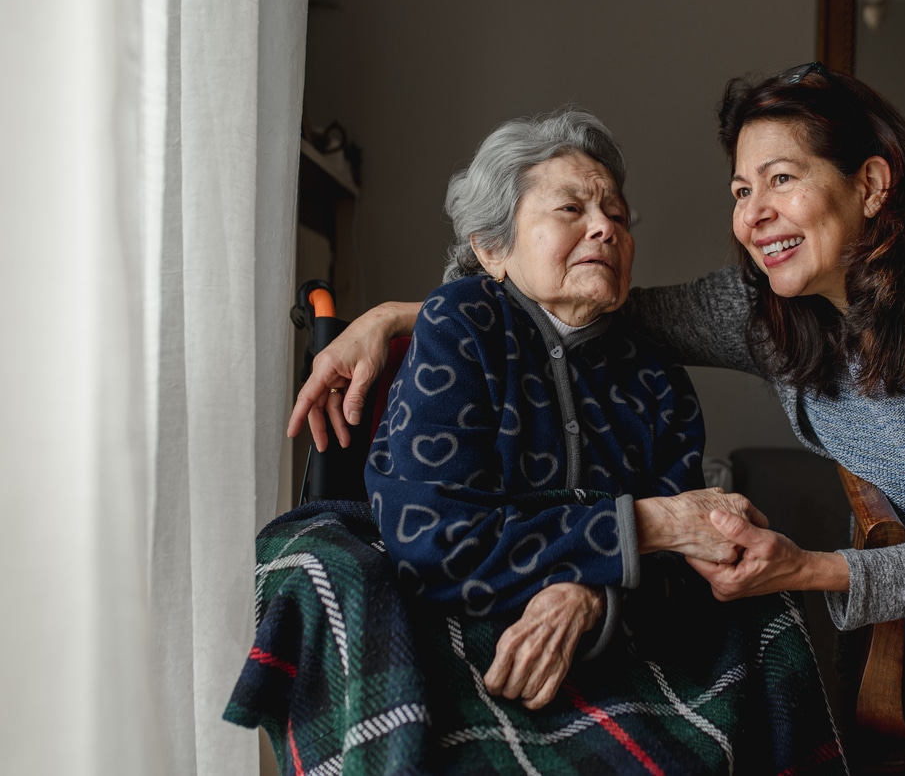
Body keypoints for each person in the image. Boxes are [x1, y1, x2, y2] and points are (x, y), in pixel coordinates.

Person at [291, 65, 905, 774]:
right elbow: (580, 303)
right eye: (740, 190)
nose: (753, 212)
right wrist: (400, 315)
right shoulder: (764, 309)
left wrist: (801, 568)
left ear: (870, 186)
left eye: (781, 178)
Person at [273, 106, 842, 774]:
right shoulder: (461, 327)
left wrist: (589, 592)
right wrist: (641, 522)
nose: (604, 226)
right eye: (570, 209)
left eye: (618, 216)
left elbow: (683, 554)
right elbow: (438, 535)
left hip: (613, 633)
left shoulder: (655, 373)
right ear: (493, 249)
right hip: (454, 623)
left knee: (754, 592)